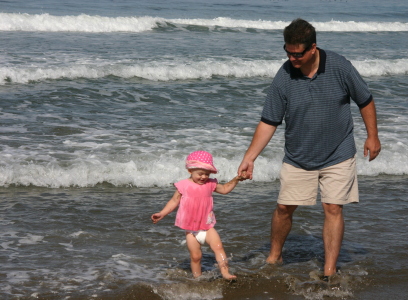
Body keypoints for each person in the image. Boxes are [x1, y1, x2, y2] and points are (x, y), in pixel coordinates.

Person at [237, 18, 381, 280]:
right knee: (284, 208)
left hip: (338, 152)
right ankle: (274, 255)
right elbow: (269, 121)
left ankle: (329, 269)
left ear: (313, 48)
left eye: (297, 53)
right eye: (288, 52)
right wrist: (249, 158)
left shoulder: (340, 67)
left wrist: (373, 136)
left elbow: (365, 100)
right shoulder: (284, 76)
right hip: (298, 156)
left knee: (333, 208)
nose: (292, 58)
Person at [152, 150, 247, 280]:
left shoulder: (210, 184)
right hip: (190, 230)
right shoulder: (183, 185)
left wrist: (236, 179)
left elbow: (225, 189)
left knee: (218, 247)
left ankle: (225, 273)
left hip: (207, 226)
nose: (203, 177)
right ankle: (197, 278)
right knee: (196, 257)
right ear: (190, 171)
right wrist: (162, 213)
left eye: (206, 174)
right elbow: (174, 201)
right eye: (200, 174)